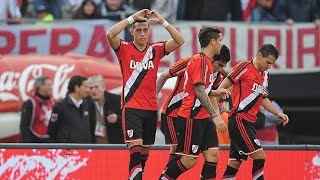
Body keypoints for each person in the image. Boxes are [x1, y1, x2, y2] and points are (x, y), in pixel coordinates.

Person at [106, 9, 184, 179]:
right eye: (138, 30)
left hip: (150, 108)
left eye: (145, 30)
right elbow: (110, 34)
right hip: (131, 106)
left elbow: (180, 40)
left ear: (149, 32)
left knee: (143, 156)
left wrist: (162, 21)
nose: (142, 34)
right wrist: (132, 18)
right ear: (132, 32)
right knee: (135, 151)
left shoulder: (156, 49)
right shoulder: (124, 48)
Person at [161, 27, 228, 180]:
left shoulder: (208, 63)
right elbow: (199, 91)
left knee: (213, 155)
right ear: (213, 41)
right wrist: (216, 117)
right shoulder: (200, 61)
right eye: (220, 40)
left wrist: (215, 95)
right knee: (189, 160)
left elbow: (205, 90)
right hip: (191, 116)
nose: (221, 44)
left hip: (204, 117)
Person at [219, 44, 289, 179]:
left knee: (235, 163)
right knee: (260, 157)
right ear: (259, 56)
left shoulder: (266, 76)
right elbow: (225, 84)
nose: (269, 66)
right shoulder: (244, 67)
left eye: (272, 64)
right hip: (239, 119)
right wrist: (216, 99)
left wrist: (278, 113)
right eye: (267, 62)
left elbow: (263, 99)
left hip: (250, 122)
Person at [47, 75, 92, 143]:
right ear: (77, 87)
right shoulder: (60, 106)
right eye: (85, 87)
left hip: (84, 149)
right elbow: (52, 130)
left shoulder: (87, 104)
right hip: (67, 150)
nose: (88, 90)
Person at [87, 75, 124, 144]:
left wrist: (117, 119)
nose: (93, 90)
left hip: (114, 145)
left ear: (103, 87)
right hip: (93, 146)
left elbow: (129, 120)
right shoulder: (85, 103)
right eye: (91, 88)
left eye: (96, 87)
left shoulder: (116, 100)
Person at [20, 76, 54, 143]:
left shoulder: (52, 101)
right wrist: (29, 145)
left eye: (51, 85)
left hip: (50, 141)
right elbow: (24, 127)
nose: (51, 87)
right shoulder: (30, 103)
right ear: (40, 87)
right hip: (36, 142)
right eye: (48, 85)